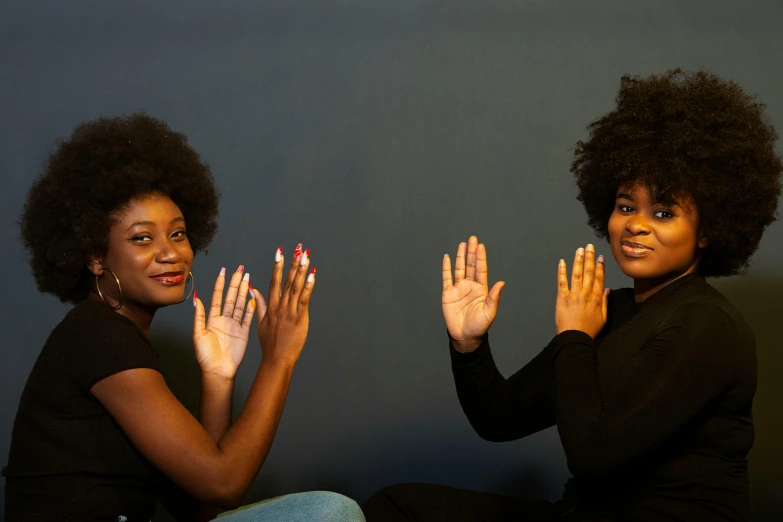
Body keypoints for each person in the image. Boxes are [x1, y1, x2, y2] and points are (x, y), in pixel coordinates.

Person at [362, 69, 783, 521]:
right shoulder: (609, 311)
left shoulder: (707, 325)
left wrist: (576, 337)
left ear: (707, 231)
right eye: (626, 206)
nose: (636, 225)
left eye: (663, 212)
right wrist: (469, 346)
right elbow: (498, 419)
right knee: (397, 506)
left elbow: (595, 455)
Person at [2, 113, 365, 522]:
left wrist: (218, 378)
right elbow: (224, 484)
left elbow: (201, 508)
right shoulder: (99, 337)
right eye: (142, 238)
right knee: (329, 511)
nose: (170, 252)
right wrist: (278, 359)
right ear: (95, 256)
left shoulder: (115, 338)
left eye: (177, 233)